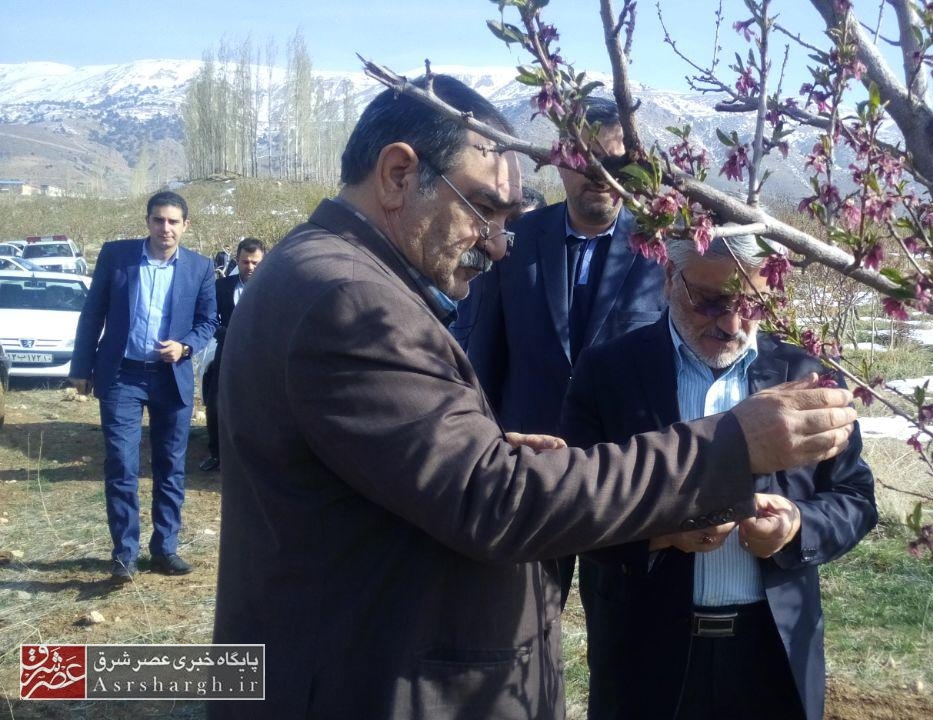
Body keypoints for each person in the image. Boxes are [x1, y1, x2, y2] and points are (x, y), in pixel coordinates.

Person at [210, 74, 860, 720]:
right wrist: (731, 443)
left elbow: (410, 471)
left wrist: (490, 450)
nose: (496, 244)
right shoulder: (349, 300)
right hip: (360, 680)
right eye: (484, 209)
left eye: (506, 218)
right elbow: (490, 500)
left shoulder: (332, 279)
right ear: (399, 175)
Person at [560, 233, 879, 720]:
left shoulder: (803, 373)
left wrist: (797, 525)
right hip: (645, 653)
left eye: (751, 304)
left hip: (771, 653)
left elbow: (855, 497)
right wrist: (661, 533)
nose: (732, 324)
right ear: (669, 278)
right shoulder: (609, 371)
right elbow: (572, 508)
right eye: (709, 302)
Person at [452, 96, 668, 608]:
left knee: (622, 633)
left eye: (614, 162)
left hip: (622, 476)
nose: (598, 174)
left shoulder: (661, 249)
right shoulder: (515, 241)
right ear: (560, 161)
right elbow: (485, 355)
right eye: (584, 160)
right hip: (530, 473)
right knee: (519, 621)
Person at [70, 190, 218, 582]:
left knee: (170, 466)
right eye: (158, 219)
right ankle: (124, 554)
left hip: (171, 378)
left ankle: (165, 549)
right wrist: (81, 367)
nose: (164, 228)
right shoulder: (117, 256)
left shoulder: (200, 268)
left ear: (186, 225)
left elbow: (208, 321)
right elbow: (93, 313)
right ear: (148, 221)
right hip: (121, 375)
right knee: (121, 464)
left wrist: (185, 346)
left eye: (173, 221)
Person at [198, 237, 265, 473]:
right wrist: (224, 332)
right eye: (246, 262)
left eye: (256, 262)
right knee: (216, 405)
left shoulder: (274, 288)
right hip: (225, 354)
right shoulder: (221, 286)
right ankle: (217, 454)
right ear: (237, 260)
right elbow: (208, 319)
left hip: (261, 359)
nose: (250, 267)